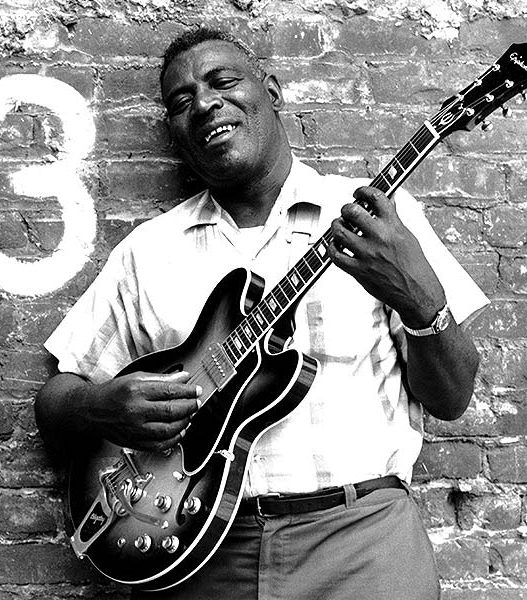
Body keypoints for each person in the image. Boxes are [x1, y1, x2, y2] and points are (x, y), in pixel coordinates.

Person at [35, 27, 489, 599]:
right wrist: (101, 406)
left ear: (271, 91)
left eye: (222, 82)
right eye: (181, 102)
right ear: (175, 132)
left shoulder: (375, 221)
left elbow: (451, 399)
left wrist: (420, 298)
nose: (204, 103)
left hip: (361, 549)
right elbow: (53, 403)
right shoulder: (147, 251)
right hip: (193, 554)